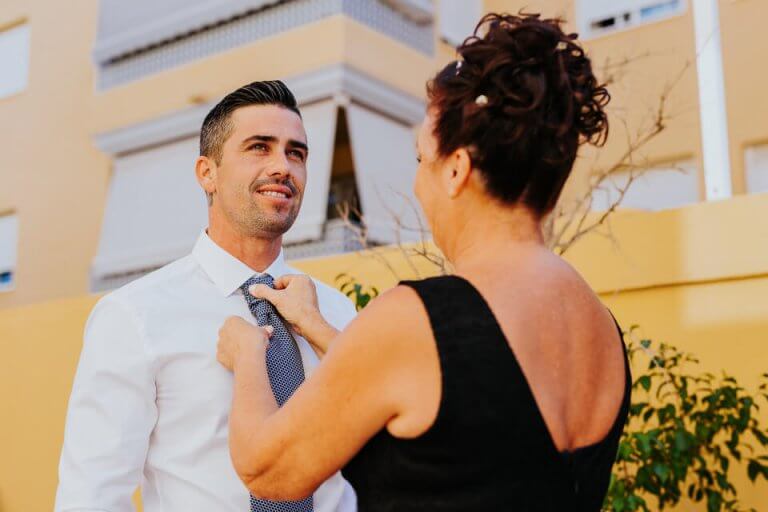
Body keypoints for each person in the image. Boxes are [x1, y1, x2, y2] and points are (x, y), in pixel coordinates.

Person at [216, 12, 630, 511]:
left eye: (420, 159)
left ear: (456, 170)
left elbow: (267, 469)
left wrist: (247, 357)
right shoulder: (600, 328)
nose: (416, 182)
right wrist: (316, 326)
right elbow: (462, 399)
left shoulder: (420, 317)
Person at [55, 81, 358, 512]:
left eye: (296, 153)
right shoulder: (134, 316)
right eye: (259, 147)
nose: (283, 167)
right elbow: (93, 495)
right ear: (206, 173)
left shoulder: (335, 313)